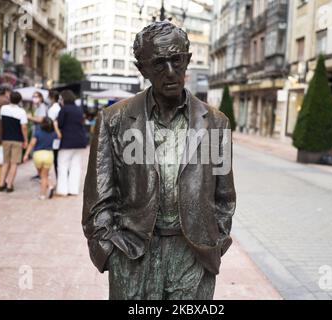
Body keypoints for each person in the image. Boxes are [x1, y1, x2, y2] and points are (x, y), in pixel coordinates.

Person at [82, 21, 236, 300]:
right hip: (132, 254)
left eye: (176, 61)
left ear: (187, 60)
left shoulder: (216, 123)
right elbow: (98, 198)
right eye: (158, 63)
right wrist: (109, 252)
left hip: (192, 255)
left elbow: (224, 198)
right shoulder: (113, 120)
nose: (170, 72)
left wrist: (217, 241)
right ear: (143, 69)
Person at [55, 90, 87, 196]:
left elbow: (60, 124)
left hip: (67, 141)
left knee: (63, 165)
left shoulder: (64, 109)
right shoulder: (78, 110)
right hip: (80, 141)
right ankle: (73, 190)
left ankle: (62, 190)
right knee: (76, 166)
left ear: (63, 99)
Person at [0, 92, 28, 193]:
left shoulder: (3, 108)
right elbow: (23, 127)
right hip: (17, 140)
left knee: (5, 162)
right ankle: (10, 185)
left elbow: (2, 121)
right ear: (19, 100)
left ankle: (1, 184)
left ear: (9, 98)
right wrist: (26, 140)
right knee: (14, 163)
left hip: (5, 138)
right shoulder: (22, 112)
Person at [23, 117, 58, 200]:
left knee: (42, 176)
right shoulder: (53, 133)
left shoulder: (37, 133)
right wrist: (56, 127)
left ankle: (43, 195)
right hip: (49, 155)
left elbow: (31, 144)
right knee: (44, 176)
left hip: (38, 155)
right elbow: (60, 136)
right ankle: (49, 186)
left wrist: (26, 154)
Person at [47, 90, 62, 178]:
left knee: (56, 159)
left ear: (52, 98)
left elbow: (50, 123)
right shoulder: (59, 108)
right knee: (57, 159)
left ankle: (58, 178)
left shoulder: (52, 109)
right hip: (58, 135)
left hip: (54, 136)